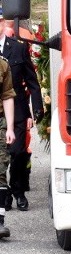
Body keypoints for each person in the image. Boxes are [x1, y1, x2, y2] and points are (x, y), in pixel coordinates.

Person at [1, 29, 43, 211]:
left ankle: (17, 191)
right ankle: (4, 192)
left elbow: (32, 81)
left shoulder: (18, 48)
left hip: (16, 111)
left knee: (17, 153)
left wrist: (36, 109)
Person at [0, 39, 15, 239]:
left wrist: (10, 128)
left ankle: (0, 220)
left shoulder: (2, 64)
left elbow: (7, 96)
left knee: (0, 169)